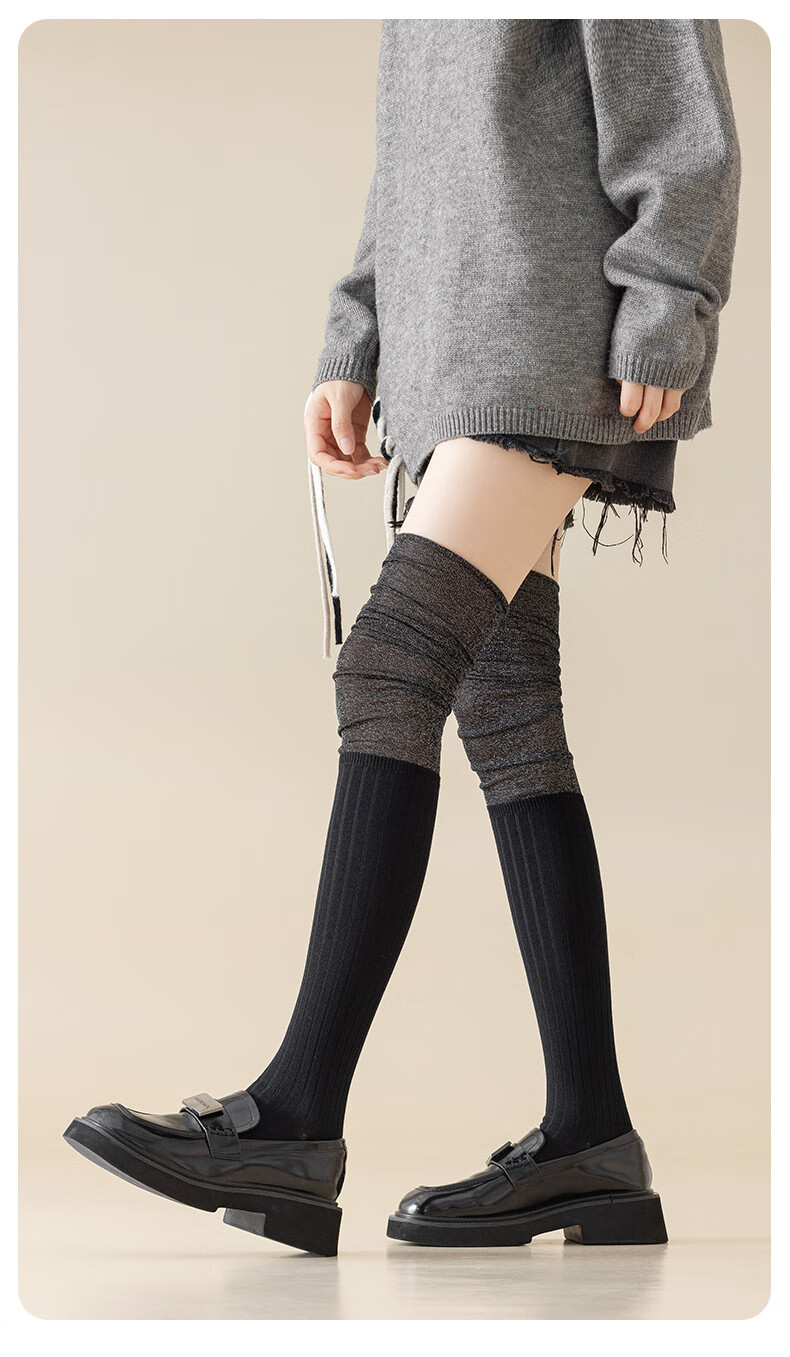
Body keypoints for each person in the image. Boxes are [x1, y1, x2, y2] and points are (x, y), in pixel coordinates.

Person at [64, 19, 740, 1257]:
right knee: (512, 718)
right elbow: (422, 151)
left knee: (391, 667)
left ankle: (292, 1116)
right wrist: (359, 333)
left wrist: (669, 296)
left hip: (548, 333)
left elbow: (678, 106)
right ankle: (590, 1137)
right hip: (455, 352)